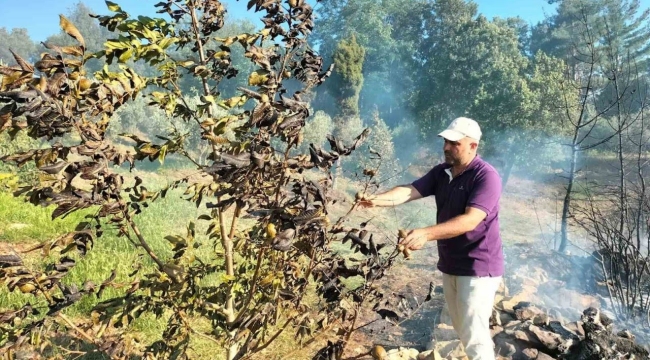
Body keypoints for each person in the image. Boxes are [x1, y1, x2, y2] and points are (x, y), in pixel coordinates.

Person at [358, 117, 504, 360]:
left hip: (479, 267)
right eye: (446, 141)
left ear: (472, 146)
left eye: (454, 143)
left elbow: (470, 220)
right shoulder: (442, 172)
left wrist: (425, 233)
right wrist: (375, 199)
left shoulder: (486, 177)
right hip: (452, 264)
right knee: (462, 330)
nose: (446, 147)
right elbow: (410, 190)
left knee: (475, 336)